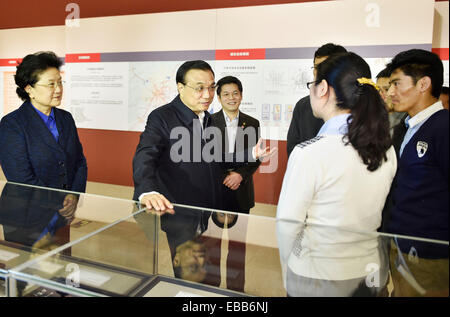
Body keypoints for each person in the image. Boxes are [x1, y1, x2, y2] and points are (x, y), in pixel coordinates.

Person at [276, 52, 397, 297]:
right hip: (370, 271)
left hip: (318, 275)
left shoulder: (309, 153)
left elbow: (287, 226)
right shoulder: (386, 148)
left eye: (313, 85)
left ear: (323, 89)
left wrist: (286, 270)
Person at [132, 60, 275, 214]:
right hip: (177, 210)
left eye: (211, 87)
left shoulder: (208, 119)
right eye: (200, 88)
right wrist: (147, 191)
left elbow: (214, 158)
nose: (207, 95)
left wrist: (251, 154)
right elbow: (145, 155)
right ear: (181, 87)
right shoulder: (162, 117)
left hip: (207, 208)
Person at [385, 49, 448, 297]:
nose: (390, 93)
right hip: (401, 245)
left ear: (423, 84)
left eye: (397, 84)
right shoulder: (405, 127)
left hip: (431, 257)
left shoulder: (443, 128)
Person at [0, 51, 87, 195]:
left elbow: (79, 162)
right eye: (51, 84)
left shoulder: (66, 118)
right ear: (29, 89)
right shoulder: (12, 124)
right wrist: (59, 201)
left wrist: (74, 196)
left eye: (60, 82)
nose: (58, 89)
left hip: (65, 212)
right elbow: (20, 179)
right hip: (28, 212)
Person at [286, 43, 347, 157]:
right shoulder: (303, 105)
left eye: (324, 67)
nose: (318, 72)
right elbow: (292, 149)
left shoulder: (352, 104)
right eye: (316, 67)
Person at [211, 76, 261, 214]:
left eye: (235, 93)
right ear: (219, 98)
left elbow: (256, 156)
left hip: (242, 189)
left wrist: (239, 175)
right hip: (216, 190)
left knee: (239, 235)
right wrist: (225, 177)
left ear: (241, 95)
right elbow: (206, 157)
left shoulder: (253, 123)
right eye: (226, 94)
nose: (231, 98)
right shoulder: (208, 122)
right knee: (212, 235)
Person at [376, 67, 406, 133]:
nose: (381, 95)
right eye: (378, 90)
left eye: (387, 89)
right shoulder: (371, 119)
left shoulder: (408, 121)